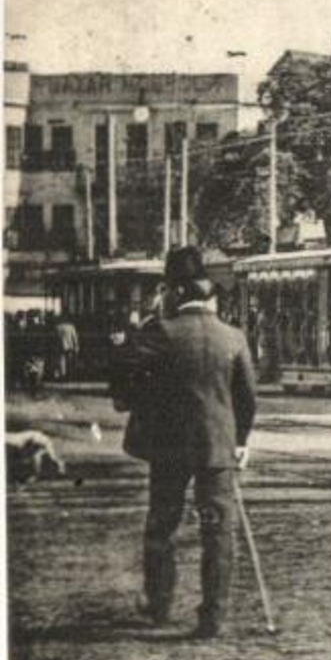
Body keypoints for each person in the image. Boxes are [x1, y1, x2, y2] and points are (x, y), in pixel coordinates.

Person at [123, 246, 257, 638]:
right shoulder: (234, 337)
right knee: (218, 532)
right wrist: (241, 441)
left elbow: (127, 386)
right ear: (206, 293)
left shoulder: (158, 332)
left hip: (168, 449)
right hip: (218, 448)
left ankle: (160, 604)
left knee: (162, 526)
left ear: (174, 292)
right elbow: (247, 398)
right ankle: (212, 617)